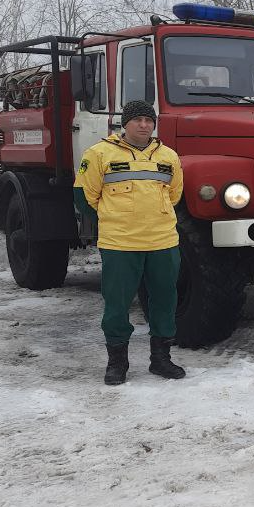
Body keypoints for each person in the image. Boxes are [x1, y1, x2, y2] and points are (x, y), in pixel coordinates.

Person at [74, 99, 186, 385]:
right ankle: (117, 363)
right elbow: (85, 197)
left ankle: (161, 359)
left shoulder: (169, 156)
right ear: (125, 123)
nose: (144, 125)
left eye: (148, 120)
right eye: (137, 120)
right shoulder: (99, 154)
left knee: (165, 300)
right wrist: (114, 219)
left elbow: (174, 195)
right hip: (120, 244)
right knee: (117, 304)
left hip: (163, 242)